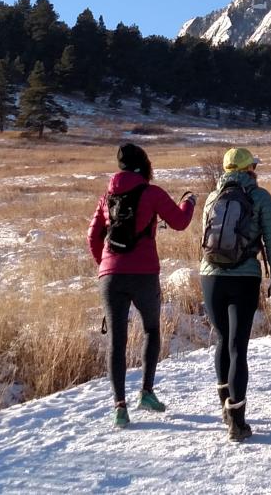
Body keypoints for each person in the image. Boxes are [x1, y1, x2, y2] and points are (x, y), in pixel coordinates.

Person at [88, 143, 197, 429]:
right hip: (145, 273)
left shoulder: (107, 197)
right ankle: (147, 392)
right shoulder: (152, 192)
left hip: (110, 275)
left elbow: (93, 236)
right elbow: (180, 222)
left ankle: (119, 407)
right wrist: (190, 202)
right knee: (151, 330)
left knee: (117, 340)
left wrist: (106, 264)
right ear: (144, 166)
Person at [200, 147, 271, 441]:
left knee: (222, 340)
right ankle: (237, 420)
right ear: (250, 169)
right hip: (244, 277)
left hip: (210, 277)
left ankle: (225, 406)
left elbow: (205, 241)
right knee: (238, 346)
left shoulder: (212, 197)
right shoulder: (260, 197)